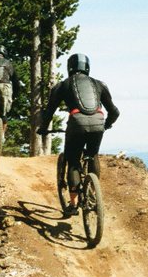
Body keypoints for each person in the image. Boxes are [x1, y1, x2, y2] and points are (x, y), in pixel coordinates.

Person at [38, 53, 120, 216]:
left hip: (76, 123)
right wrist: (107, 125)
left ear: (70, 67)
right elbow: (114, 112)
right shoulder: (99, 84)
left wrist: (43, 128)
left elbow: (49, 112)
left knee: (73, 160)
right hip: (98, 122)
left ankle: (74, 205)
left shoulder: (62, 85)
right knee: (92, 154)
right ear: (87, 68)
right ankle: (93, 191)